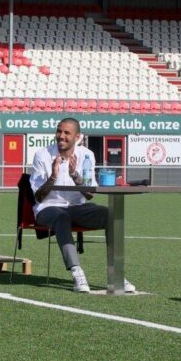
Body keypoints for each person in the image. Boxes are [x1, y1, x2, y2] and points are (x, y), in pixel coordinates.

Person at [30, 118, 135, 293]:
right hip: (48, 208)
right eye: (59, 131)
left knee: (111, 214)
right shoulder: (43, 155)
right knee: (61, 216)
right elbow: (39, 197)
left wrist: (76, 177)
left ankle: (116, 273)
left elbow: (89, 193)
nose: (61, 136)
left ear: (77, 137)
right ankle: (76, 271)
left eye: (66, 133)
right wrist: (53, 176)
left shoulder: (87, 155)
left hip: (77, 208)